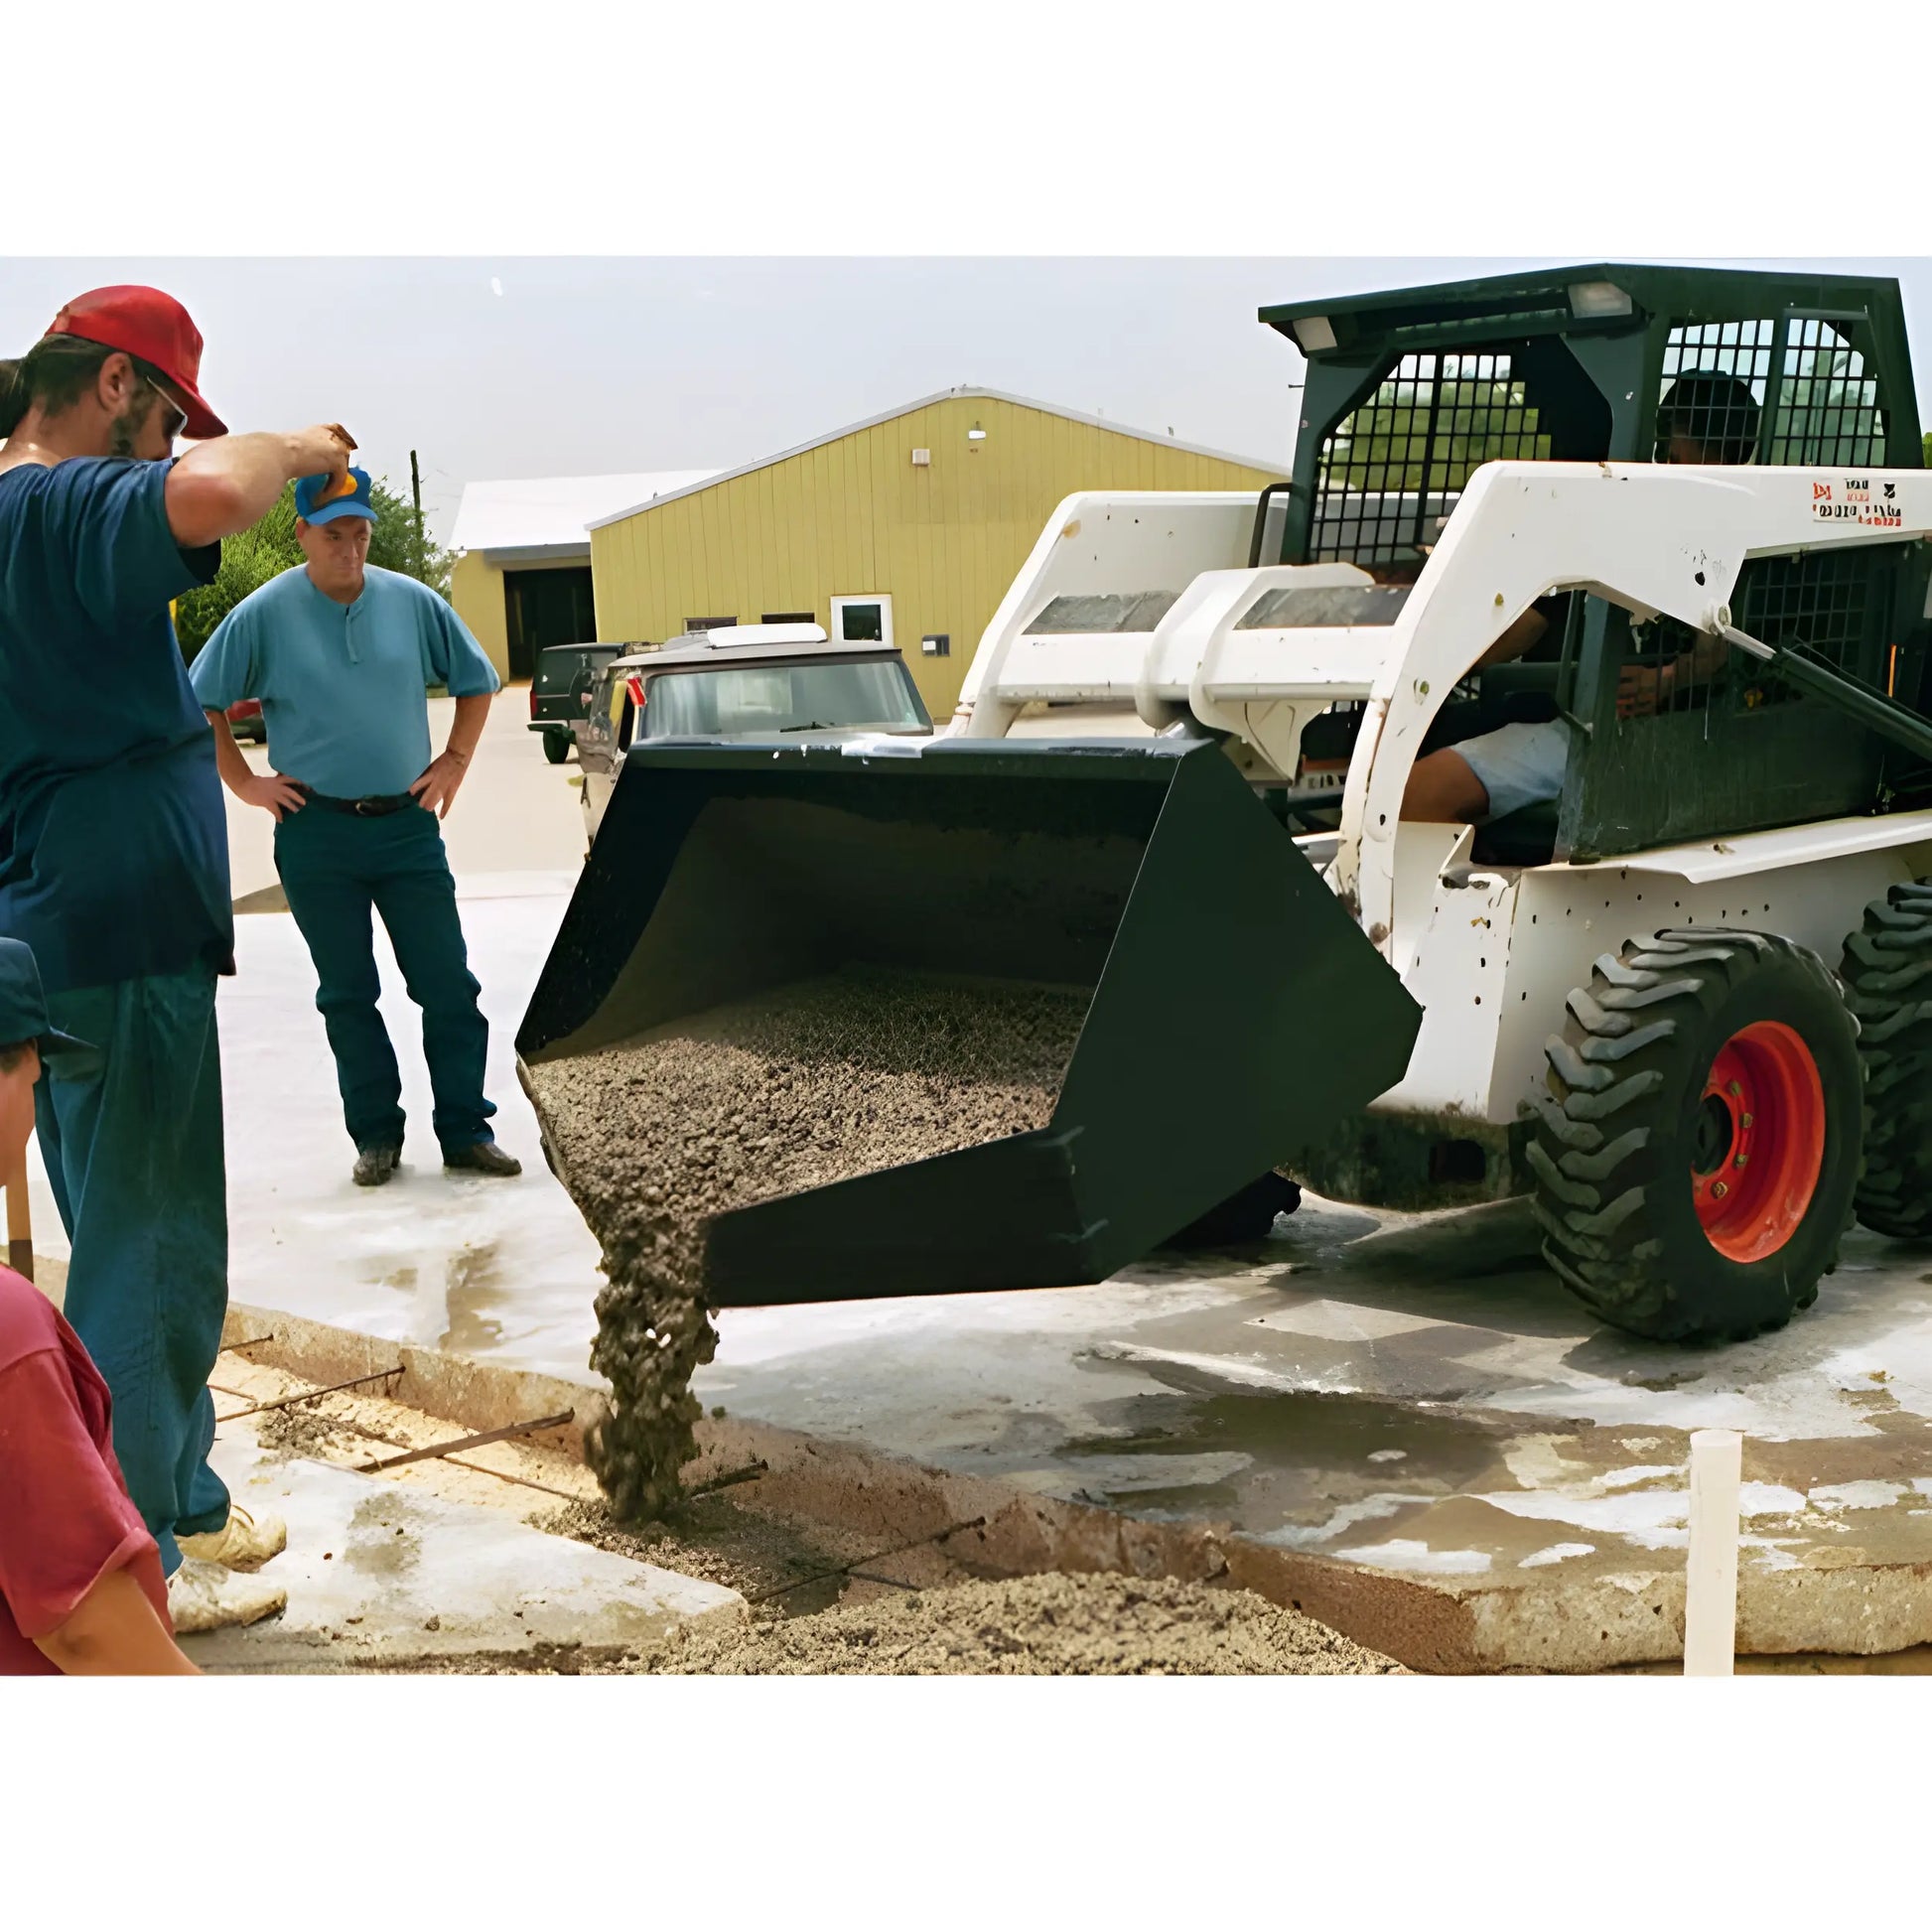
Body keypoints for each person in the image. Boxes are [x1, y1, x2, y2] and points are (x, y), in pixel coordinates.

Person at [0, 286, 351, 1630]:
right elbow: (207, 496)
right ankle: (142, 1546)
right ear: (110, 387)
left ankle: (176, 1492)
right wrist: (297, 446)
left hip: (57, 919)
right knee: (147, 1244)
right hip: (119, 918)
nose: (165, 447)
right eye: (163, 416)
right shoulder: (56, 502)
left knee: (130, 1229)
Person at [191, 468, 521, 1188]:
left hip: (406, 829)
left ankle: (466, 1129)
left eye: (360, 534)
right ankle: (376, 1135)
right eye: (333, 534)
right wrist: (245, 782)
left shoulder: (411, 602)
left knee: (447, 985)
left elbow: (478, 679)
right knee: (347, 992)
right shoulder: (264, 614)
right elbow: (202, 700)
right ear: (303, 534)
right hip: (316, 834)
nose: (349, 548)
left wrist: (455, 760)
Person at [0, 936, 280, 1672]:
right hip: (128, 946)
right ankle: (156, 1539)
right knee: (148, 1259)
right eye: (33, 1071)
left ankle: (181, 1508)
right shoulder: (13, 1337)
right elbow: (87, 1629)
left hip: (74, 924)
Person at [1402, 372, 1762, 824]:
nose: (1664, 463)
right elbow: (1534, 618)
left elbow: (1723, 653)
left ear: (1726, 455)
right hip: (1588, 726)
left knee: (1419, 794)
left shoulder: (1748, 538)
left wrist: (1667, 679)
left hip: (1663, 741)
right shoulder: (1633, 516)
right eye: (1664, 452)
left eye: (1675, 453)